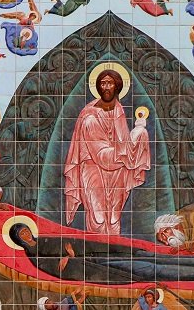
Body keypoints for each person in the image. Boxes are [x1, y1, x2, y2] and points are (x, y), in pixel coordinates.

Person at [63, 68, 151, 235]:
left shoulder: (118, 110)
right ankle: (97, 249)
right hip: (93, 168)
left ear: (117, 86)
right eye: (103, 83)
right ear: (98, 87)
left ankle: (114, 249)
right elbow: (101, 154)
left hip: (116, 170)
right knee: (98, 216)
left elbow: (124, 143)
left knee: (113, 217)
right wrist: (126, 149)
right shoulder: (89, 116)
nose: (106, 87)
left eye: (110, 83)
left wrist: (139, 132)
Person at [8, 222, 194, 284]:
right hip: (93, 266)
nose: (26, 234)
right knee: (146, 268)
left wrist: (69, 251)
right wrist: (69, 255)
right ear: (19, 240)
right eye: (22, 234)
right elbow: (58, 267)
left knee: (146, 255)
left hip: (96, 252)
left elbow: (69, 243)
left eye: (25, 230)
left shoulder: (45, 239)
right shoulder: (33, 256)